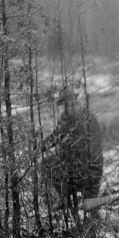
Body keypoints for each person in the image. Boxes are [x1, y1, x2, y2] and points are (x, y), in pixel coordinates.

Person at [42, 86, 103, 217]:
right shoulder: (71, 117)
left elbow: (95, 149)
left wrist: (89, 167)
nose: (68, 106)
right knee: (47, 162)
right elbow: (56, 136)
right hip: (81, 168)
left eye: (70, 103)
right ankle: (66, 198)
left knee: (90, 208)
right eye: (66, 104)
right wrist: (40, 147)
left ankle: (91, 224)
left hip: (86, 169)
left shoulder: (85, 118)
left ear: (73, 101)